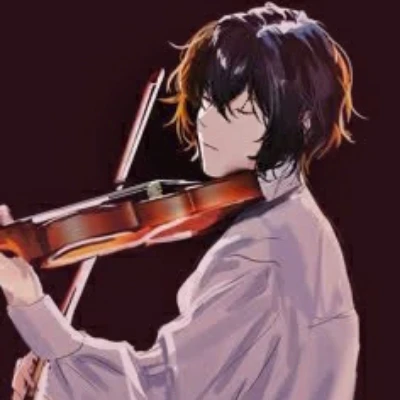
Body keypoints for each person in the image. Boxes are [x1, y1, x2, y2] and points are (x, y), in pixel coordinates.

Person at [1, 2, 360, 399]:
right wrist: (53, 373)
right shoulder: (302, 227)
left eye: (236, 109)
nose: (206, 120)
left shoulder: (262, 253)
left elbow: (160, 392)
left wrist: (32, 307)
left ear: (302, 121)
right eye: (208, 100)